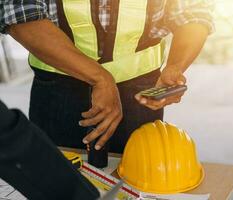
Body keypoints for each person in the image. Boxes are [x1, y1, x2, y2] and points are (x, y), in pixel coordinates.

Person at [6, 0, 214, 166]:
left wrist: (175, 66)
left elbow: (193, 11)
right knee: (54, 179)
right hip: (58, 92)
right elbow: (21, 15)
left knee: (138, 180)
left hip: (141, 95)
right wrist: (100, 78)